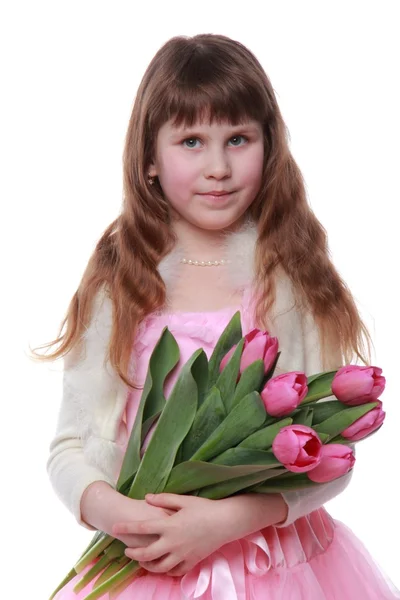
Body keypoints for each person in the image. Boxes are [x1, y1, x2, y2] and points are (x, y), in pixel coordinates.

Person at [37, 33, 400, 599]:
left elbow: (331, 455)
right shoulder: (122, 282)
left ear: (268, 145)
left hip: (276, 566)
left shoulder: (288, 279)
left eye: (237, 138)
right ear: (150, 160)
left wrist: (228, 520)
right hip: (151, 562)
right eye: (190, 141)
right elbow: (70, 449)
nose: (218, 167)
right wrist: (123, 516)